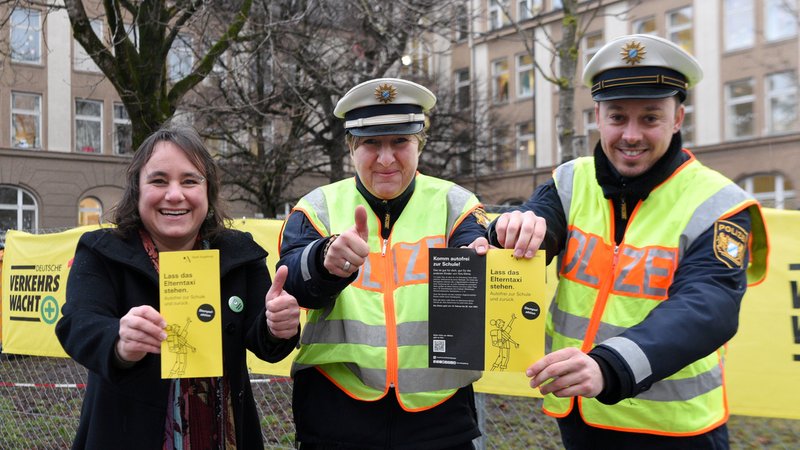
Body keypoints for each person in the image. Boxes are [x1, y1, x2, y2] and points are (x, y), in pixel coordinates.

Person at [491, 34, 769, 449]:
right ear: (598, 117)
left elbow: (708, 307)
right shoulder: (570, 180)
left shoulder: (719, 203)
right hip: (583, 415)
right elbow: (538, 225)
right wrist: (508, 230)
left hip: (674, 429)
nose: (631, 134)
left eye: (650, 118)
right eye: (618, 117)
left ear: (677, 119)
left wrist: (611, 365)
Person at [55, 126, 301, 449]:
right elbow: (77, 323)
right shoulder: (102, 251)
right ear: (137, 190)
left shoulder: (239, 254)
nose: (174, 195)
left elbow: (263, 338)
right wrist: (118, 340)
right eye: (158, 181)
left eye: (189, 181)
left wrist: (277, 326)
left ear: (208, 190)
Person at [278, 78, 491, 449]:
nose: (386, 158)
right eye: (371, 143)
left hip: (438, 419)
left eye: (400, 142)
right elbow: (293, 281)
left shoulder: (455, 203)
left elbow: (479, 250)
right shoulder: (317, 206)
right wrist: (325, 259)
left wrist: (497, 241)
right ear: (351, 148)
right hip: (337, 412)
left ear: (419, 144)